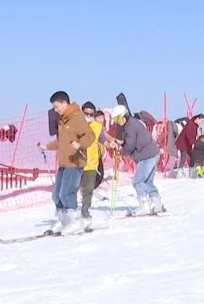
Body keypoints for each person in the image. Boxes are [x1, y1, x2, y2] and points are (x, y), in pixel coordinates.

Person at [38, 91, 95, 235]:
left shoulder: (77, 117)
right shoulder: (62, 120)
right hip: (64, 163)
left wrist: (80, 143)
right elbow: (61, 141)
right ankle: (64, 220)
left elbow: (90, 135)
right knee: (56, 195)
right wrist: (46, 147)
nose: (56, 110)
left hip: (74, 162)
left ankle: (75, 221)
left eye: (57, 107)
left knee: (66, 193)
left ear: (64, 103)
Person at [109, 105, 164, 215]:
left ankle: (144, 206)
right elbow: (130, 141)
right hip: (151, 153)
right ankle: (157, 204)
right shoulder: (130, 124)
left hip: (147, 155)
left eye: (118, 119)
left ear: (124, 116)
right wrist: (122, 143)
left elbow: (130, 146)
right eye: (115, 120)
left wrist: (121, 150)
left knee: (138, 181)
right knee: (147, 181)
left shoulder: (130, 126)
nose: (117, 122)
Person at [79, 101, 104, 224]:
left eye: (91, 114)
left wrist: (112, 144)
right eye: (86, 113)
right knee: (71, 189)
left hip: (92, 163)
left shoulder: (97, 126)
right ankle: (68, 212)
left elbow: (103, 139)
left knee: (88, 190)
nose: (88, 116)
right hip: (76, 163)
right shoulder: (76, 124)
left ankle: (85, 210)